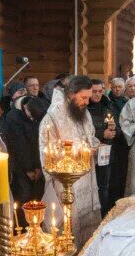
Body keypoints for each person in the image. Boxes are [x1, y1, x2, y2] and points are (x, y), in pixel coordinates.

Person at [39, 75, 101, 242]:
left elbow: (90, 135)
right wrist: (78, 153)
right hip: (66, 183)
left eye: (89, 98)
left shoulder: (84, 113)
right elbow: (47, 153)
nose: (87, 102)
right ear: (71, 93)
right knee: (68, 232)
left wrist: (94, 146)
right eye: (84, 97)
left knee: (87, 235)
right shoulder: (52, 117)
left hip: (87, 178)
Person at [2, 95, 47, 221]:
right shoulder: (13, 117)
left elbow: (39, 142)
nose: (32, 120)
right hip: (19, 167)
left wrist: (38, 166)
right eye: (30, 116)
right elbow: (17, 146)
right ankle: (22, 230)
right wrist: (28, 169)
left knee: (37, 199)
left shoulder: (38, 111)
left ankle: (36, 227)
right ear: (25, 107)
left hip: (37, 165)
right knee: (23, 199)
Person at [86, 78, 117, 213]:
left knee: (104, 187)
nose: (97, 94)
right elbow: (84, 132)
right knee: (90, 186)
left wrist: (115, 130)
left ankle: (103, 215)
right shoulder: (84, 107)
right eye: (94, 91)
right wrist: (102, 134)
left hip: (106, 153)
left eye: (100, 91)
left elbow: (117, 128)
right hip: (90, 154)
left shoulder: (108, 105)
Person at [106, 77, 130, 208]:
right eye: (115, 87)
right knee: (111, 176)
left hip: (123, 143)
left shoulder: (127, 102)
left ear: (123, 88)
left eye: (120, 87)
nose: (117, 89)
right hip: (110, 142)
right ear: (111, 87)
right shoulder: (107, 102)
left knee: (121, 174)